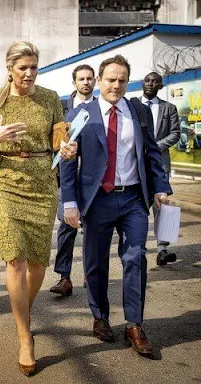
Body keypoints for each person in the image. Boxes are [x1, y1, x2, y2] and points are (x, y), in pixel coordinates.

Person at [0, 41, 76, 376]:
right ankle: (25, 335)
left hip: (42, 183)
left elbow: (60, 141)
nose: (29, 74)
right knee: (15, 258)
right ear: (10, 68)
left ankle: (22, 313)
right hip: (5, 182)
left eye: (33, 67)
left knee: (38, 263)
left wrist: (67, 149)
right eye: (22, 68)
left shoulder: (50, 99)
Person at [61, 55, 172, 358]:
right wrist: (69, 202)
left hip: (134, 198)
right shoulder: (81, 114)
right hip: (97, 200)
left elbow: (150, 151)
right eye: (111, 79)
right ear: (99, 81)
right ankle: (100, 316)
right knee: (95, 261)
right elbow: (69, 163)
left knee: (135, 257)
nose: (116, 85)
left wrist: (161, 187)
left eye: (122, 79)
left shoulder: (137, 111)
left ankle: (134, 324)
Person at [51, 64, 97, 297]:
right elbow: (57, 147)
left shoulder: (101, 108)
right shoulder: (62, 110)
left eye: (90, 78)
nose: (86, 82)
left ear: (95, 81)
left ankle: (91, 275)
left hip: (94, 181)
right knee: (66, 228)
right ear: (74, 82)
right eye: (82, 79)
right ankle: (64, 277)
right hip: (68, 180)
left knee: (92, 230)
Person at [133, 72, 181, 266]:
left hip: (159, 161)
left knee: (162, 202)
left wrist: (155, 146)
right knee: (138, 203)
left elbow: (176, 133)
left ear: (161, 86)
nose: (151, 83)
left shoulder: (169, 108)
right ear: (142, 83)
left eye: (155, 81)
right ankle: (138, 246)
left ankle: (163, 249)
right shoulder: (133, 105)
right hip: (136, 162)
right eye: (147, 80)